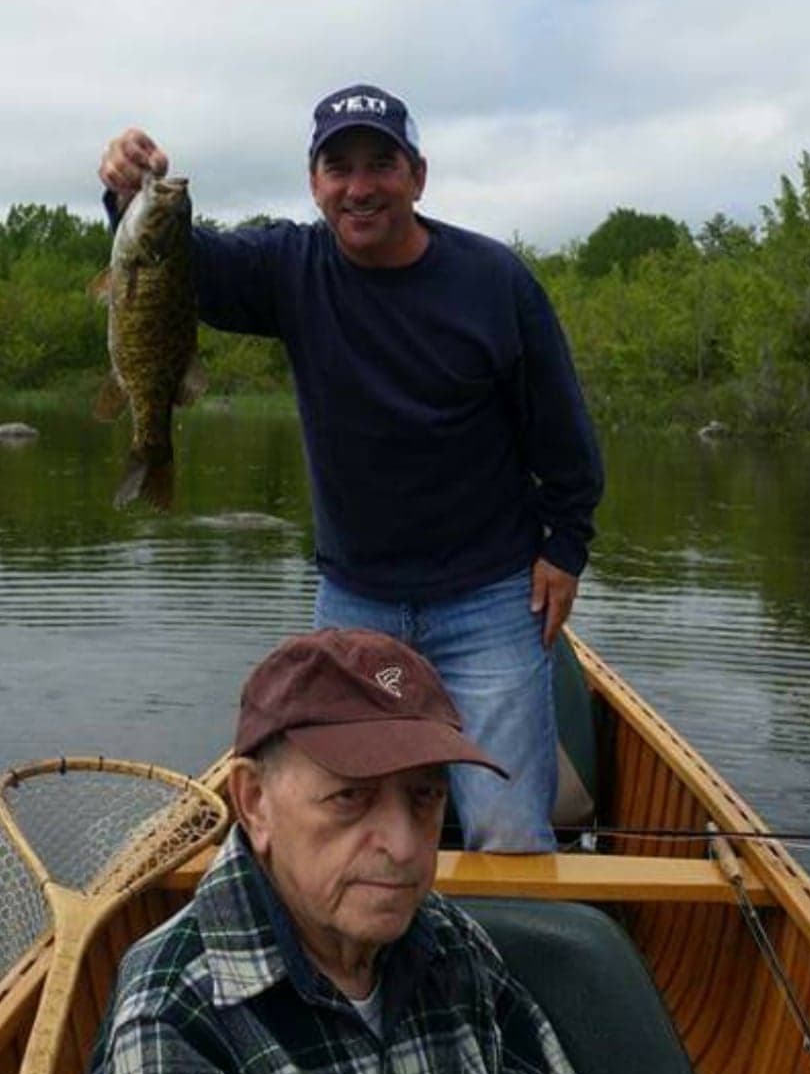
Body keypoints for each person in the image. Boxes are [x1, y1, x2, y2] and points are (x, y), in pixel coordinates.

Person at [71, 627, 730, 1074]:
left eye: (424, 797)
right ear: (254, 802)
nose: (406, 844)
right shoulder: (175, 1025)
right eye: (350, 796)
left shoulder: (454, 947)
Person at [98, 85, 604, 852]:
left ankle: (501, 951)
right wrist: (124, 192)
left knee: (508, 833)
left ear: (418, 176)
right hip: (355, 598)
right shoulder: (288, 266)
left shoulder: (495, 281)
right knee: (337, 827)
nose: (359, 185)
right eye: (338, 166)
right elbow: (175, 267)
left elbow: (562, 429)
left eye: (380, 164)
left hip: (491, 600)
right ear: (314, 183)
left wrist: (565, 545)